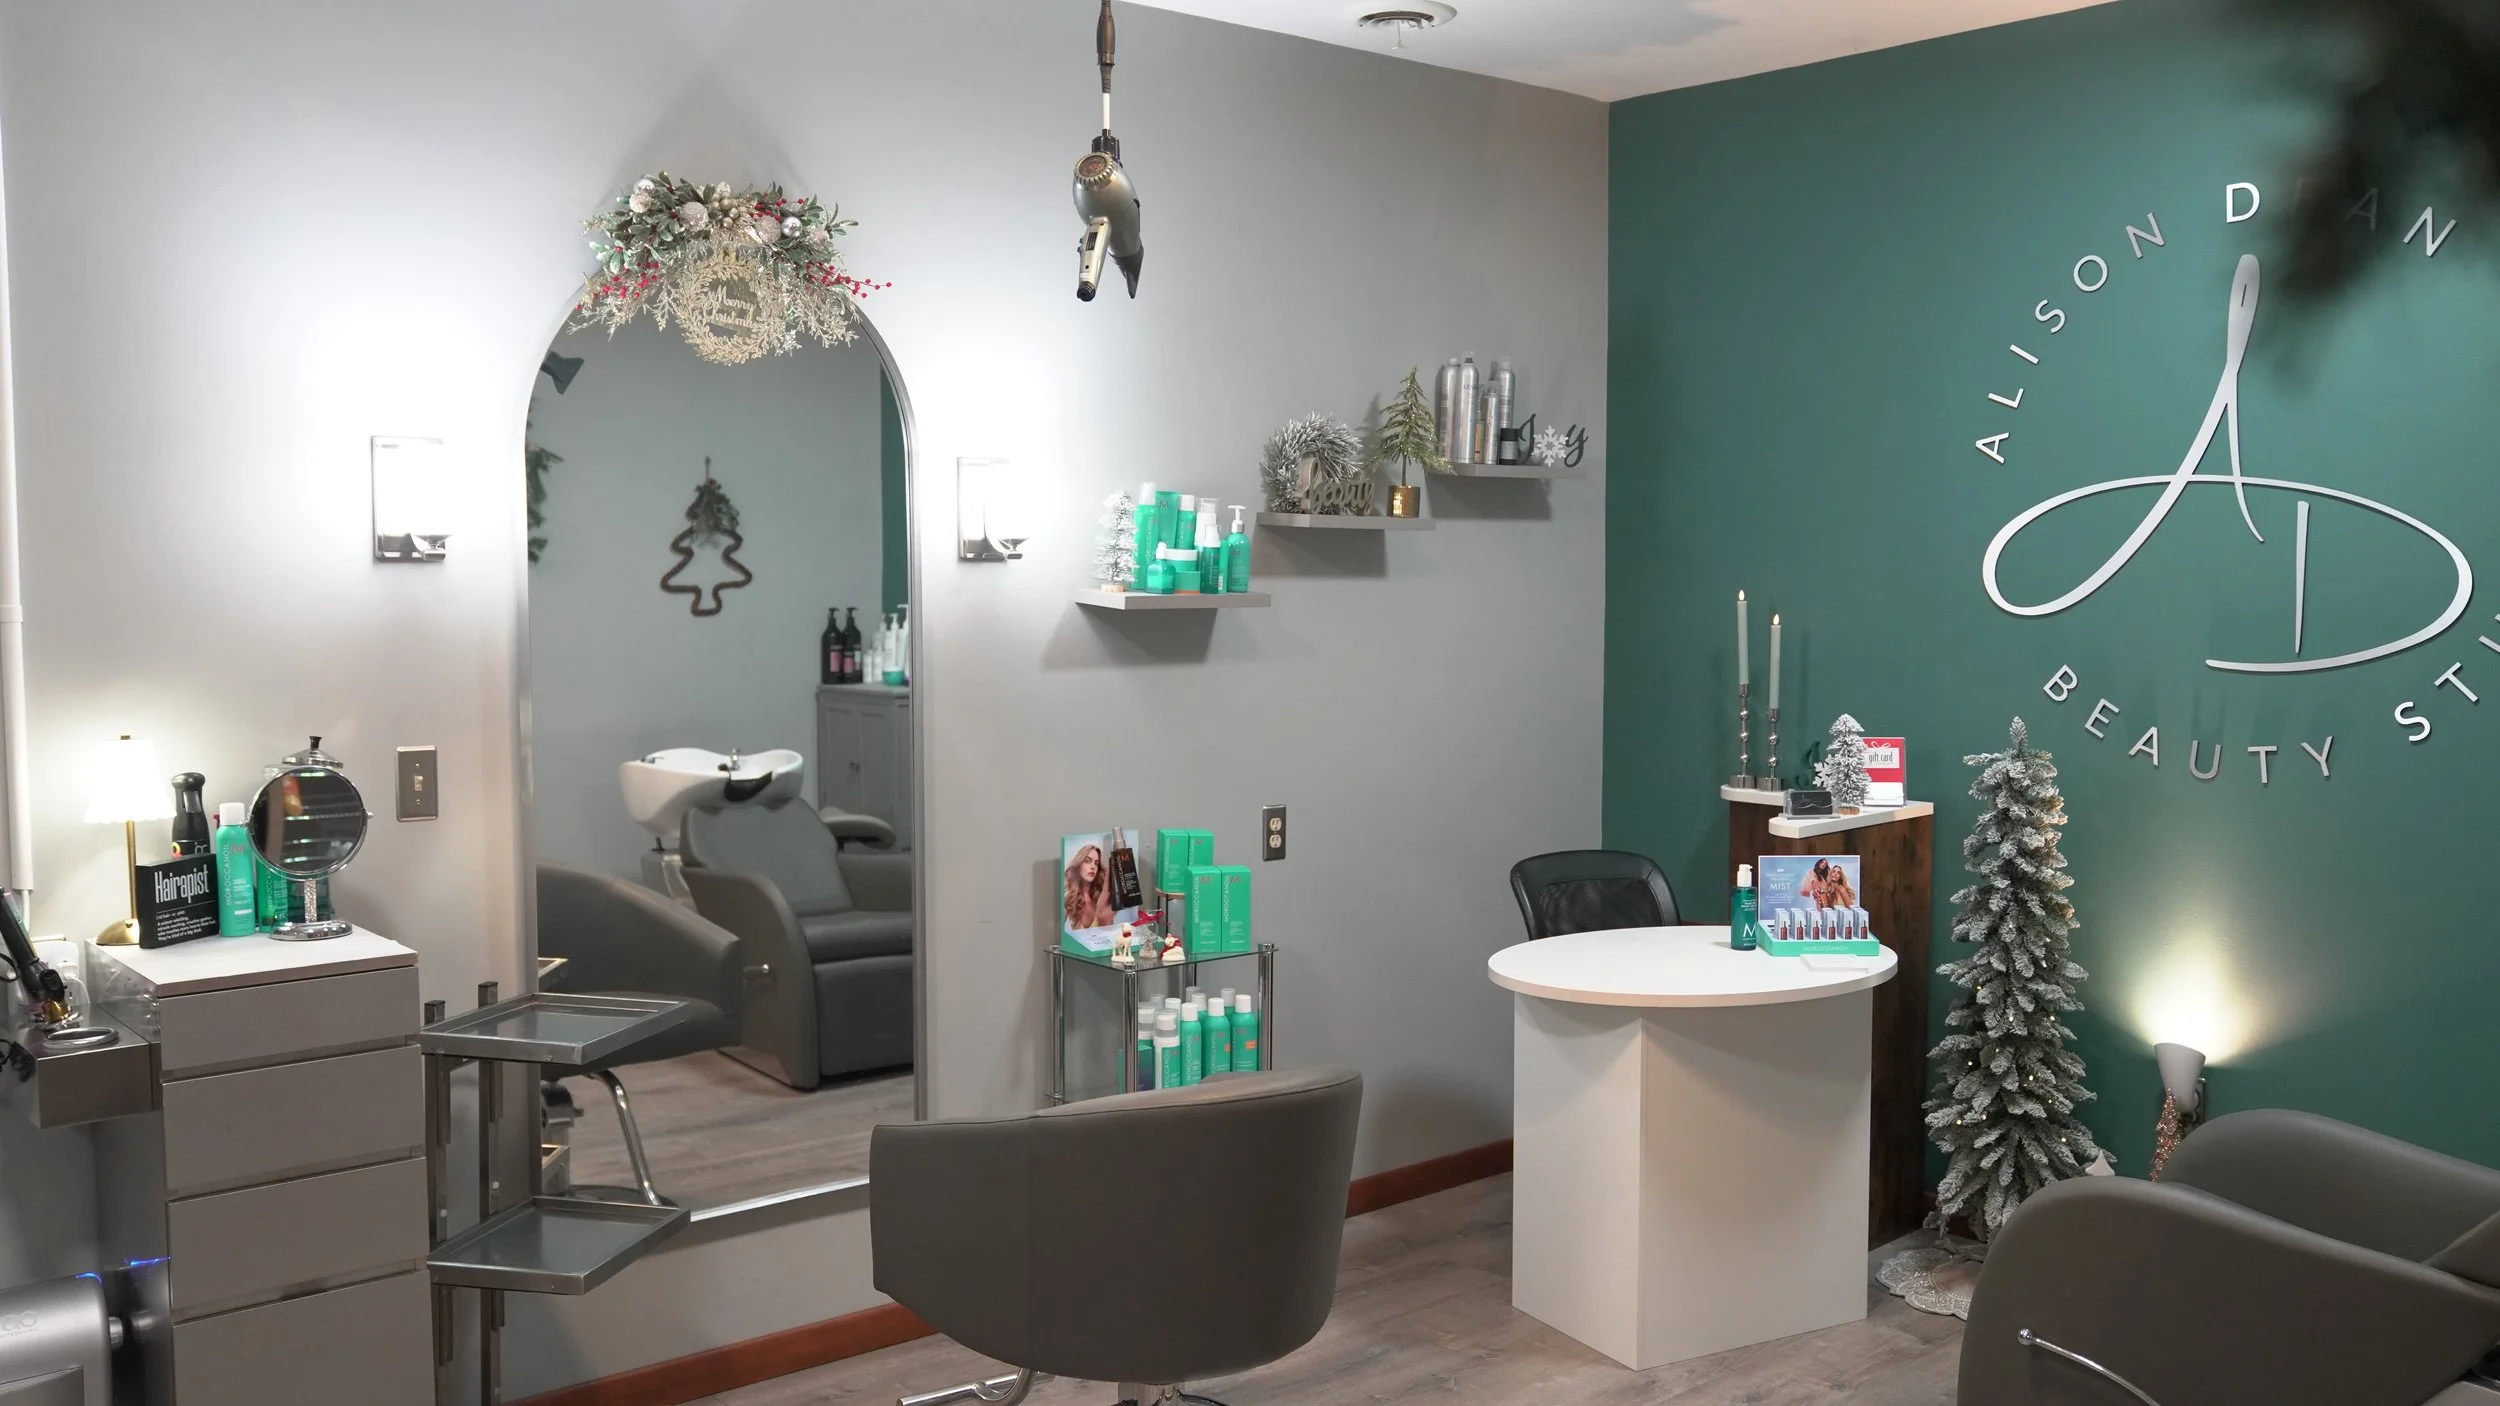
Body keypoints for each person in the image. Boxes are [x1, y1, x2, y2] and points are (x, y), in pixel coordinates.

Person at [1063, 842, 1116, 931]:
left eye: (1096, 863)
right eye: (1087, 861)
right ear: (1079, 865)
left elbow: (1108, 932)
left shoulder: (1100, 897)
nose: (1093, 867)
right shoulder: (1068, 897)